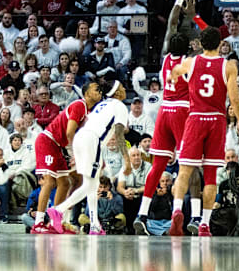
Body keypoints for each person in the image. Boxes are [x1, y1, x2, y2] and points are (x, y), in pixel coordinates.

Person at [168, 26, 239, 237]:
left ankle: (176, 211)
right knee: (211, 176)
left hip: (195, 119)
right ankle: (204, 224)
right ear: (221, 43)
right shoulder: (229, 65)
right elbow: (235, 99)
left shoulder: (191, 62)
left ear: (201, 44)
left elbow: (174, 72)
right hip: (217, 120)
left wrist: (173, 78)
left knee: (184, 171)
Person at [45, 80, 131, 235]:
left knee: (92, 183)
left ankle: (94, 225)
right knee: (90, 186)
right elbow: (119, 134)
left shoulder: (101, 105)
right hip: (92, 140)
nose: (125, 89)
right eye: (123, 87)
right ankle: (58, 210)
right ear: (117, 92)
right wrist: (127, 159)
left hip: (81, 138)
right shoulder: (120, 106)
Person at [134, 33, 191, 236]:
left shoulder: (166, 58)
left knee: (157, 166)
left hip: (164, 110)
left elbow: (169, 29)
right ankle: (185, 212)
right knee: (187, 165)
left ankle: (142, 213)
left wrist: (176, 5)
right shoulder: (188, 62)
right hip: (181, 110)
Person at [31, 82, 102, 234]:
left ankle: (55, 222)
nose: (100, 92)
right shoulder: (79, 105)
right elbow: (70, 133)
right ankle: (38, 223)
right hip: (48, 140)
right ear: (87, 93)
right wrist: (75, 155)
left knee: (65, 182)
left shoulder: (89, 111)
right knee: (49, 181)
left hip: (59, 146)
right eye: (96, 89)